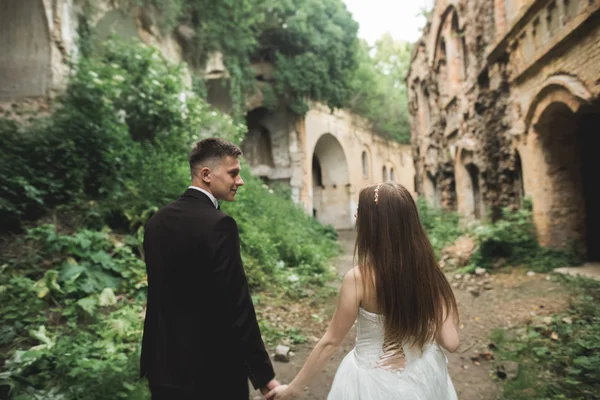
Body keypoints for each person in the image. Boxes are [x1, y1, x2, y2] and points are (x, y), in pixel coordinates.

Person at [267, 183, 460, 400]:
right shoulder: (430, 274)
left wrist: (292, 389)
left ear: (374, 225)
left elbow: (331, 342)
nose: (356, 214)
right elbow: (451, 343)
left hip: (371, 383)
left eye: (361, 209)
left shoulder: (358, 279)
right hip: (423, 378)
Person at [140, 137, 279, 399]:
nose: (240, 181)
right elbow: (237, 305)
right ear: (206, 174)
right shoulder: (219, 225)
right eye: (233, 173)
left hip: (162, 366)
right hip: (212, 371)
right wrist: (263, 376)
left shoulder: (156, 222)